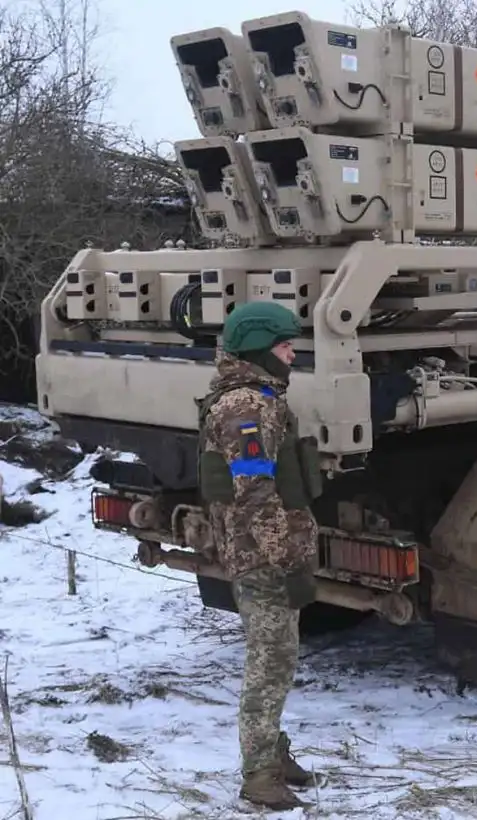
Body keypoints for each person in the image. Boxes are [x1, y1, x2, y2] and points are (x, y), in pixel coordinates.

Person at [197, 301, 324, 810]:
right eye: (284, 344)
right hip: (262, 556)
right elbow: (253, 492)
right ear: (257, 349)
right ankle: (259, 773)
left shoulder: (257, 398)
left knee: (281, 657)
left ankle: (273, 751)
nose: (293, 352)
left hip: (263, 551)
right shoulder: (248, 407)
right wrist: (285, 551)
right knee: (270, 662)